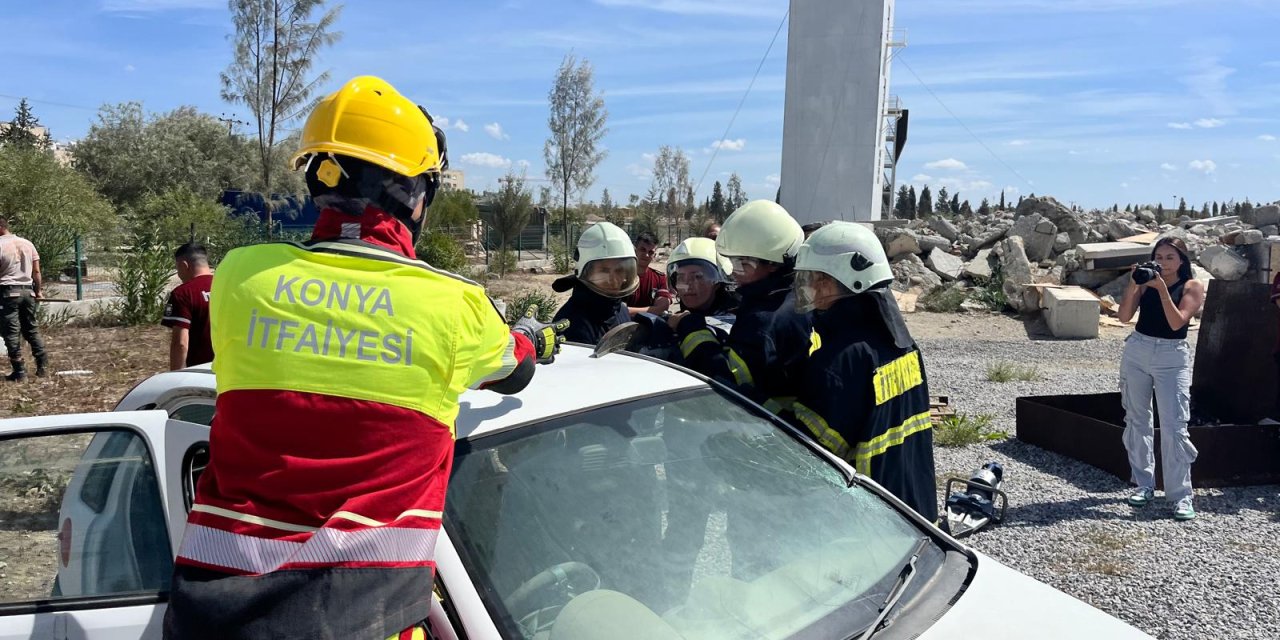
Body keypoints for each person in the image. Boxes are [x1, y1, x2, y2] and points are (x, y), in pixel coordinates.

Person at [163, 76, 569, 640]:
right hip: (360, 617)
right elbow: (514, 365)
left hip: (211, 617)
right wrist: (532, 337)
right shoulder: (453, 306)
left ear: (317, 180)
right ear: (416, 195)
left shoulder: (239, 277)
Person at [787, 222, 937, 521]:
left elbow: (806, 454)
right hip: (917, 515)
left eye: (817, 279)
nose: (809, 288)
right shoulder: (902, 344)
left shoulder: (840, 361)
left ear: (846, 281)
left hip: (871, 524)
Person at [672, 200, 811, 412]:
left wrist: (689, 327)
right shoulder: (798, 295)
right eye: (732, 261)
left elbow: (724, 380)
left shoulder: (764, 320)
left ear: (772, 264)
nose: (733, 270)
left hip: (769, 430)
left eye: (743, 263)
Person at [1116, 236, 1205, 521]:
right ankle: (1144, 484)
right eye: (1159, 256)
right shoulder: (1146, 281)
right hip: (1138, 349)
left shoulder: (1192, 286)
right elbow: (1124, 316)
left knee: (1174, 426)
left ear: (1182, 260)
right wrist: (1135, 283)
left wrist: (1162, 290)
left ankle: (1180, 495)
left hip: (1171, 356)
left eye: (1170, 257)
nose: (1164, 263)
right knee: (1137, 419)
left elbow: (1178, 321)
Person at [552, 221, 638, 345]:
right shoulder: (571, 323)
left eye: (619, 270)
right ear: (586, 272)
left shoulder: (620, 309)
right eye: (604, 271)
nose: (612, 280)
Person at [0, 216, 47, 381]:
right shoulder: (27, 243)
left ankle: (19, 372)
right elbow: (36, 272)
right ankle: (42, 367)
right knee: (31, 329)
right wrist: (38, 292)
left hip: (7, 293)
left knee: (11, 333)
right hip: (28, 292)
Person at [161, 243, 215, 370]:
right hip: (230, 369)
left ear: (184, 265)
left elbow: (180, 343)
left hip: (199, 370)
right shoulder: (227, 287)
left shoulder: (183, 293)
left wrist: (177, 375)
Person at [624, 231, 672, 317]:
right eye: (643, 250)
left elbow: (663, 307)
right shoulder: (621, 276)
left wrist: (627, 311)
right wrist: (653, 310)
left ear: (654, 255)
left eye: (650, 252)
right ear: (635, 250)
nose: (646, 255)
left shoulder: (659, 278)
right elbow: (616, 310)